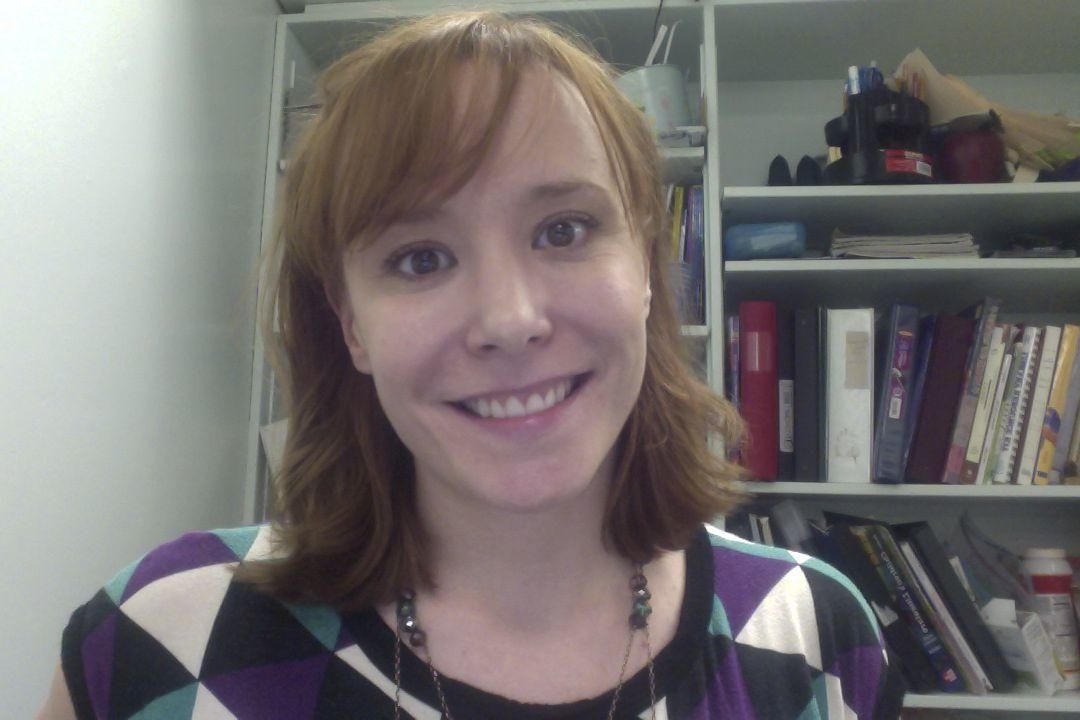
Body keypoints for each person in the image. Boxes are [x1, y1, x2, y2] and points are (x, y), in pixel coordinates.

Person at [40, 11, 904, 719]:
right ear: (351, 326)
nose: (510, 321)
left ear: (646, 267)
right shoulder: (163, 640)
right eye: (420, 258)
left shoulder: (815, 637)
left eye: (563, 230)